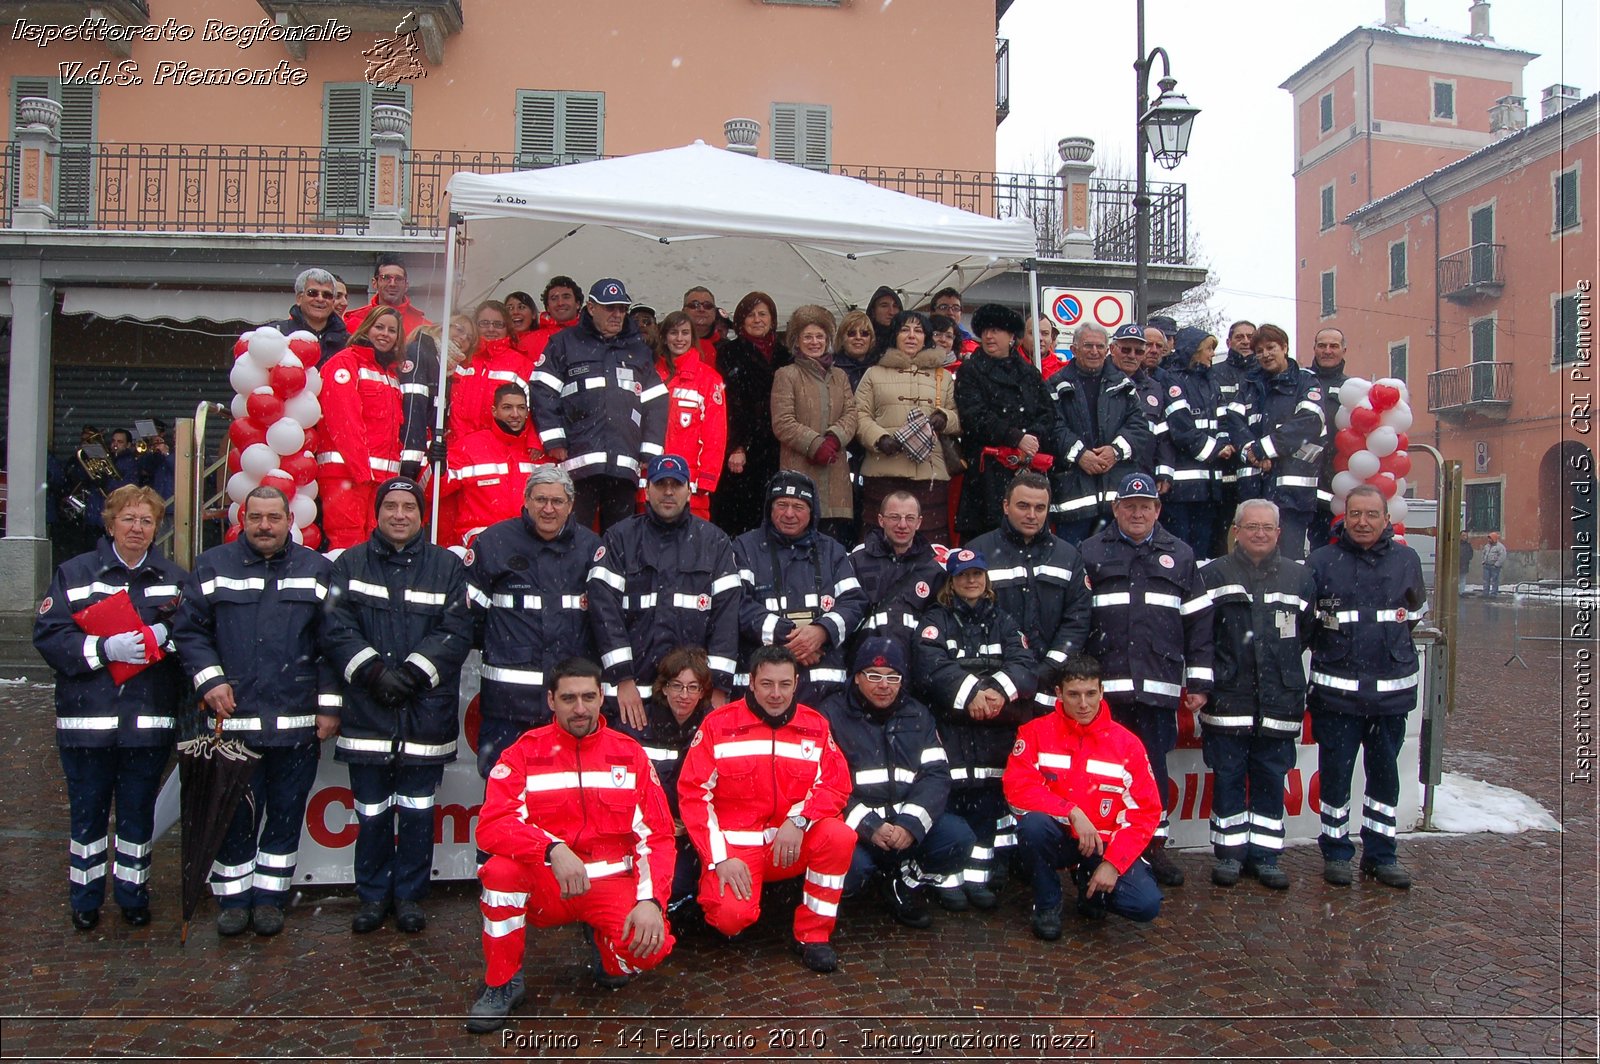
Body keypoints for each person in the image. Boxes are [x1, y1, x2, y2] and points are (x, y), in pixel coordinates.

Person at [468, 658, 675, 1034]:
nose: (580, 708)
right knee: (498, 872)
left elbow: (657, 837)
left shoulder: (629, 755)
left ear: (601, 698)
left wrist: (651, 901)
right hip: (548, 883)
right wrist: (551, 848)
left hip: (611, 883)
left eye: (588, 697)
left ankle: (606, 945)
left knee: (651, 949)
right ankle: (502, 982)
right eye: (568, 698)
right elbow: (492, 826)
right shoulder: (523, 753)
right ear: (551, 700)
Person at [170, 486, 335, 936]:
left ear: (289, 521)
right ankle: (233, 899)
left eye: (274, 517)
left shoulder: (317, 570)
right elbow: (188, 632)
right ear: (243, 518)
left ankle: (270, 899)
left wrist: (329, 705)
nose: (265, 525)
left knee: (285, 815)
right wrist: (210, 678)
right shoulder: (212, 567)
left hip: (296, 725)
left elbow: (332, 643)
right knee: (234, 816)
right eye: (257, 517)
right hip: (233, 723)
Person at [319, 477, 472, 933]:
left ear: (422, 516)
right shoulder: (349, 564)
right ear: (377, 513)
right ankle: (371, 896)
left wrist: (411, 674)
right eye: (391, 506)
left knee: (419, 811)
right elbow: (335, 628)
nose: (400, 515)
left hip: (424, 714)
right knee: (371, 812)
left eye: (409, 507)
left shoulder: (446, 567)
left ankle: (409, 896)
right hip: (368, 712)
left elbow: (456, 631)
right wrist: (372, 672)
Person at [34, 485, 185, 931]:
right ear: (110, 522)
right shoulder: (75, 573)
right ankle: (85, 898)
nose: (137, 529)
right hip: (87, 721)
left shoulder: (174, 579)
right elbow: (49, 636)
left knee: (138, 816)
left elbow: (196, 632)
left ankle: (132, 894)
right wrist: (103, 648)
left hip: (148, 723)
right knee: (88, 814)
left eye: (146, 521)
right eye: (129, 519)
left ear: (157, 528)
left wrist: (167, 636)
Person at [677, 645, 855, 973]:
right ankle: (737, 904)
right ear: (752, 683)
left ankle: (813, 935)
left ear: (796, 683)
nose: (776, 694)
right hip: (736, 848)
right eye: (767, 684)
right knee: (730, 920)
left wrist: (800, 819)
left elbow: (836, 784)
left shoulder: (814, 726)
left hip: (790, 842)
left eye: (784, 684)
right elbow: (693, 795)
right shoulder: (719, 725)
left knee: (839, 835)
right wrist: (719, 858)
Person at [1078, 472, 1213, 887]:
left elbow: (1199, 622)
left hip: (1158, 685)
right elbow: (1078, 619)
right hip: (1106, 690)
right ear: (1116, 509)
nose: (1138, 513)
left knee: (1151, 771)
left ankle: (1152, 845)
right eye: (1130, 506)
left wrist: (1201, 682)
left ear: (1158, 509)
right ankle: (1101, 846)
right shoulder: (1090, 552)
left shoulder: (1182, 554)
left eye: (1146, 506)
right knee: (1101, 771)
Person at [1307, 484, 1427, 889]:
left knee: (1384, 778)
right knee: (1336, 777)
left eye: (1371, 515)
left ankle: (1381, 854)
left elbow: (1413, 615)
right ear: (1344, 515)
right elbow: (1308, 623)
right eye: (1356, 514)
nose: (1363, 522)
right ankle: (1336, 851)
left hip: (1390, 696)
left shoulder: (1407, 560)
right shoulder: (1321, 561)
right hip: (1336, 696)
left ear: (1385, 518)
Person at [1198, 499, 1318, 890]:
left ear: (1279, 532)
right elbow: (1202, 635)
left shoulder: (1299, 578)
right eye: (1252, 527)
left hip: (1279, 700)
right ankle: (1229, 856)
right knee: (1229, 778)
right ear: (1236, 530)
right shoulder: (1213, 575)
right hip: (1228, 700)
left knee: (1270, 778)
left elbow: (1307, 633)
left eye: (1267, 527)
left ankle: (1266, 857)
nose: (1260, 533)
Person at [818, 637, 974, 928]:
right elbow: (823, 782)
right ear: (856, 678)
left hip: (905, 827)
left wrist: (911, 824)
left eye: (893, 677)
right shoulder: (830, 715)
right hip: (857, 829)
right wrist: (868, 826)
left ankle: (902, 882)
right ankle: (868, 882)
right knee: (851, 869)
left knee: (959, 837)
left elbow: (936, 775)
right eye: (874, 676)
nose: (884, 685)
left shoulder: (918, 714)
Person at [1004, 653, 1163, 939]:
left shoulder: (1128, 745)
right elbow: (1018, 788)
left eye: (1091, 693)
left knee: (1145, 905)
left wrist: (1113, 864)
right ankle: (1047, 904)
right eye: (1074, 695)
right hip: (1059, 836)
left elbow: (1145, 811)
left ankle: (1091, 889)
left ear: (1102, 691)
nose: (1083, 704)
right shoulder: (1035, 733)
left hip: (1105, 845)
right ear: (1058, 694)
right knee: (1032, 826)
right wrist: (1071, 811)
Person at [913, 548, 1037, 909]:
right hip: (951, 732)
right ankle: (947, 879)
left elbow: (1024, 664)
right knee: (949, 804)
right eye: (964, 575)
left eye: (977, 575)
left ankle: (979, 877)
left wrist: (997, 692)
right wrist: (972, 693)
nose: (971, 581)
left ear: (987, 580)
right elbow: (930, 666)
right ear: (951, 580)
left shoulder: (1004, 621)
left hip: (993, 733)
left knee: (987, 804)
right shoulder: (936, 620)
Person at [588, 455, 742, 732]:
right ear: (647, 490)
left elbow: (727, 618)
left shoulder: (715, 542)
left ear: (688, 490)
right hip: (632, 693)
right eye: (661, 484)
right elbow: (603, 611)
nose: (668, 492)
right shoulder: (620, 538)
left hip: (692, 696)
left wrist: (717, 687)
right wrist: (622, 679)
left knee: (692, 771)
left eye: (676, 484)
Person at [465, 465, 600, 776]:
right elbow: (470, 621)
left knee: (563, 795)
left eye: (557, 501)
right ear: (525, 500)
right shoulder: (493, 543)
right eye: (540, 500)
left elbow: (604, 621)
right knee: (504, 793)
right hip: (507, 708)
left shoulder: (592, 549)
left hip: (568, 709)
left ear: (571, 504)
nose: (548, 509)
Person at [530, 278, 666, 530]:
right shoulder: (565, 343)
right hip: (579, 463)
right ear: (591, 308)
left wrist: (648, 452)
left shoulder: (637, 350)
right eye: (609, 308)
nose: (617, 315)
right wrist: (555, 441)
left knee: (620, 540)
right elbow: (542, 390)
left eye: (622, 309)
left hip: (624, 464)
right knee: (575, 537)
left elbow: (656, 402)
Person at [964, 471, 1092, 714]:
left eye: (1040, 508)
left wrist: (1047, 669)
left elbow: (1077, 621)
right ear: (1005, 505)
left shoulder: (1068, 556)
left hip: (1049, 687)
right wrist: (1004, 679)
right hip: (993, 689)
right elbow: (966, 617)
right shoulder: (978, 552)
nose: (1032, 515)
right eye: (1023, 506)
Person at [732, 471, 866, 702]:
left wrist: (822, 632)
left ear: (812, 511)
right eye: (781, 504)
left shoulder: (832, 551)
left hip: (824, 690)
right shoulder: (744, 548)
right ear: (769, 508)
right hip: (762, 689)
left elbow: (854, 602)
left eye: (799, 506)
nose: (789, 514)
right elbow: (738, 605)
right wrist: (790, 637)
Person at [855, 310, 961, 543]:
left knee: (930, 545)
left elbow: (958, 417)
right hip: (883, 472)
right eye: (905, 329)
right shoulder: (874, 373)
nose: (912, 336)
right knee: (879, 542)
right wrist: (879, 439)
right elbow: (859, 415)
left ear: (926, 338)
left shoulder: (942, 376)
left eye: (918, 330)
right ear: (895, 335)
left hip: (930, 475)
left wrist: (944, 417)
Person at [954, 303, 1059, 540]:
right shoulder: (970, 370)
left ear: (1012, 336)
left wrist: (1033, 437)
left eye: (997, 330)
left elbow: (1048, 414)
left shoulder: (1029, 372)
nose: (990, 336)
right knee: (987, 537)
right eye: (986, 330)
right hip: (987, 473)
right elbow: (974, 415)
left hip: (1026, 467)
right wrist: (1015, 437)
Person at [1044, 323, 1152, 543]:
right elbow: (1051, 427)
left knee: (1116, 562)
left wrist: (1115, 451)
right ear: (1074, 350)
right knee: (1073, 560)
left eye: (1099, 346)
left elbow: (1139, 426)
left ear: (1107, 349)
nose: (1094, 351)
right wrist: (1080, 454)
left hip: (1114, 492)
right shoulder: (1055, 384)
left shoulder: (1123, 384)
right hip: (1074, 495)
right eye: (1088, 346)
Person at [1227, 324, 1326, 561]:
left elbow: (1309, 422)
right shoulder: (1249, 386)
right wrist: (1252, 451)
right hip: (1253, 490)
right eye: (1259, 351)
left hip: (1292, 496)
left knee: (1287, 564)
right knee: (1250, 562)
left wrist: (1265, 450)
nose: (1265, 355)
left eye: (1270, 348)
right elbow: (1234, 421)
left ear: (1285, 347)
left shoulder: (1306, 382)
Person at [633, 647, 717, 916]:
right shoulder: (637, 723)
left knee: (681, 881)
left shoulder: (713, 726)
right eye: (677, 686)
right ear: (664, 687)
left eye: (693, 687)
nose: (684, 695)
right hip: (647, 830)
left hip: (692, 831)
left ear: (703, 691)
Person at [316, 305, 405, 549]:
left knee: (377, 545)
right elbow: (344, 422)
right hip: (346, 474)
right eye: (379, 327)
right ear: (367, 328)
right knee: (348, 542)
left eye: (392, 330)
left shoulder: (390, 373)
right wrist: (362, 471)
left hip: (377, 479)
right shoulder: (345, 364)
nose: (385, 334)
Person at [771, 304, 858, 543]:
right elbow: (783, 422)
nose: (814, 342)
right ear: (796, 341)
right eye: (807, 336)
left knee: (832, 542)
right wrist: (815, 444)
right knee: (798, 532)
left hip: (835, 472)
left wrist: (834, 438)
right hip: (799, 468)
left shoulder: (840, 376)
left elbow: (852, 414)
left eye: (820, 336)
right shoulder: (786, 375)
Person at [711, 291, 790, 537]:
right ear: (741, 320)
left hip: (777, 445)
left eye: (762, 314)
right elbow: (729, 402)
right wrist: (736, 445)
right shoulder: (729, 352)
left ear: (773, 319)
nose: (757, 320)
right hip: (743, 448)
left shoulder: (785, 355)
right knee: (740, 517)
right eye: (750, 314)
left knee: (773, 514)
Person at [439, 383, 546, 549]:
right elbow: (433, 490)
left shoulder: (539, 453)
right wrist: (435, 465)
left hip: (530, 545)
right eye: (507, 408)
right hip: (482, 546)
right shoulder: (470, 447)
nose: (515, 414)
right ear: (494, 411)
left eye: (521, 408)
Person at [1160, 327, 1234, 559]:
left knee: (1206, 551)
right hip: (1183, 490)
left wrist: (1225, 443)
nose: (1212, 354)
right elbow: (1180, 429)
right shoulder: (1173, 381)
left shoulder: (1211, 383)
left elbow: (1224, 421)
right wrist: (1216, 450)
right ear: (1193, 351)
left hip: (1210, 488)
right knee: (1183, 549)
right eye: (1208, 349)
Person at [848, 490, 946, 660]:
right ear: (881, 520)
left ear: (919, 522)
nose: (902, 525)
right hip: (865, 661)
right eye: (894, 517)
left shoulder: (933, 570)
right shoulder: (856, 562)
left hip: (915, 661)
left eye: (909, 518)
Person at [650, 310, 727, 521]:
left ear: (693, 337)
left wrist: (707, 480)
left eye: (685, 333)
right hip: (652, 481)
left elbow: (715, 434)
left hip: (691, 484)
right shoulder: (649, 376)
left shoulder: (709, 379)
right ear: (664, 337)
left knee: (693, 549)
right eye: (674, 332)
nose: (680, 339)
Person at [397, 314, 477, 481]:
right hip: (407, 456)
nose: (462, 337)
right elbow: (413, 408)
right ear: (442, 325)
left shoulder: (446, 368)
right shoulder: (419, 352)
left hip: (424, 455)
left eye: (469, 338)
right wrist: (412, 461)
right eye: (459, 328)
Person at [1212, 320, 1259, 556]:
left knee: (1254, 525)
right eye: (1239, 337)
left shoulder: (1264, 374)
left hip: (1255, 462)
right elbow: (1214, 413)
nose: (1245, 341)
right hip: (1224, 461)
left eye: (1250, 336)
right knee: (1221, 528)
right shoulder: (1216, 374)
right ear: (1229, 342)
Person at [1308, 328, 1349, 552]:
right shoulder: (1300, 381)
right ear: (1314, 348)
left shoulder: (1352, 389)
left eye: (1333, 346)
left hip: (1333, 481)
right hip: (1298, 477)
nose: (1327, 351)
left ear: (1344, 350)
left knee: (1326, 547)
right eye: (1322, 345)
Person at [266, 267, 348, 367]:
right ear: (299, 298)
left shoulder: (348, 342)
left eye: (327, 295)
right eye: (312, 293)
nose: (320, 299)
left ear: (333, 301)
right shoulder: (276, 335)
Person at [343, 253, 432, 337]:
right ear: (374, 283)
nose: (392, 284)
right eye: (386, 278)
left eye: (398, 279)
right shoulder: (354, 321)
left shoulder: (424, 328)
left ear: (406, 285)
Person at [523, 276, 585, 362]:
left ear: (577, 303)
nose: (560, 303)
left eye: (566, 297)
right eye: (554, 299)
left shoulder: (592, 335)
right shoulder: (529, 341)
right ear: (547, 307)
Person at [833, 309, 880, 391]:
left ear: (871, 338)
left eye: (864, 333)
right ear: (842, 338)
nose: (858, 337)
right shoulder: (830, 368)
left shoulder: (879, 368)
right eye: (851, 333)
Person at [682, 286, 726, 365]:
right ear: (683, 311)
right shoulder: (670, 345)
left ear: (714, 313)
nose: (701, 309)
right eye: (694, 305)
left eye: (707, 306)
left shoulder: (728, 349)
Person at [930, 287, 978, 355]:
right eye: (944, 307)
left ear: (961, 313)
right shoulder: (917, 340)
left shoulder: (972, 349)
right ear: (932, 312)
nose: (950, 312)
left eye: (956, 308)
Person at [865, 285, 905, 355]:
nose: (891, 312)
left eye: (895, 306)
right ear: (873, 311)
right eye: (884, 306)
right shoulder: (861, 340)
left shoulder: (909, 342)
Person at [502, 290, 538, 355]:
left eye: (521, 307)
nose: (515, 312)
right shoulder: (498, 346)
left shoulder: (546, 341)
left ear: (533, 314)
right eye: (510, 308)